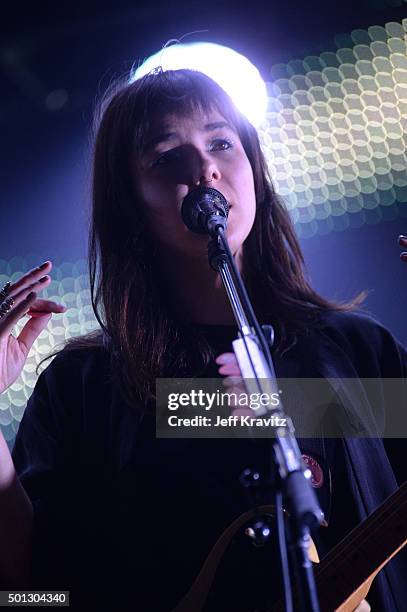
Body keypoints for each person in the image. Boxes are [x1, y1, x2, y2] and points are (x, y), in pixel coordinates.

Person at [0, 68, 406, 612]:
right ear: (130, 201)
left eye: (221, 142)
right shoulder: (85, 386)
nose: (205, 168)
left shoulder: (358, 351)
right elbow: (30, 590)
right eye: (168, 155)